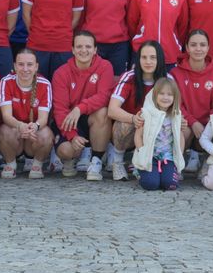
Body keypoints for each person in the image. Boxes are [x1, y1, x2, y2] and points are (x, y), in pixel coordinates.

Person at [51, 31, 113, 180]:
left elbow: (104, 97)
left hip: (91, 117)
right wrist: (72, 136)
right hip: (69, 120)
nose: (83, 50)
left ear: (95, 50)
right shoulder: (61, 73)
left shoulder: (105, 66)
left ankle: (96, 161)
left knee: (103, 112)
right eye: (79, 46)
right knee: (66, 151)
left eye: (88, 46)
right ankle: (71, 159)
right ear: (72, 50)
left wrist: (80, 108)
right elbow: (60, 110)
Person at [108, 40, 167, 181]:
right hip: (132, 127)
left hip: (154, 130)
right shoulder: (129, 77)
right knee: (124, 124)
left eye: (153, 57)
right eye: (144, 57)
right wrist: (133, 118)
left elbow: (174, 111)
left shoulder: (166, 80)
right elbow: (112, 109)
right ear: (138, 59)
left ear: (159, 59)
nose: (148, 62)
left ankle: (155, 162)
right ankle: (117, 161)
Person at [172, 29, 213, 174]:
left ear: (208, 48)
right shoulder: (175, 73)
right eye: (193, 45)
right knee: (182, 129)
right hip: (188, 123)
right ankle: (176, 165)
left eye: (202, 45)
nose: (198, 49)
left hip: (208, 124)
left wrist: (208, 125)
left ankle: (209, 163)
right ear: (187, 48)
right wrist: (192, 121)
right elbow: (176, 104)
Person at [0, 47, 54, 179]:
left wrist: (35, 127)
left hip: (33, 137)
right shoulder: (6, 82)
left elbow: (43, 118)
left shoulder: (45, 84)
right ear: (15, 66)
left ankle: (37, 164)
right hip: (15, 132)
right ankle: (10, 164)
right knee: (4, 130)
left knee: (46, 134)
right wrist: (20, 126)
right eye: (21, 64)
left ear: (36, 67)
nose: (25, 69)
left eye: (30, 64)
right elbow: (6, 116)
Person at [132, 77, 184, 192]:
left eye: (170, 94)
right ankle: (139, 171)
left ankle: (166, 173)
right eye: (161, 93)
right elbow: (138, 135)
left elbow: (179, 136)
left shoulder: (175, 115)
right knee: (151, 184)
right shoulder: (147, 113)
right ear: (155, 95)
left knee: (170, 184)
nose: (165, 97)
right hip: (149, 156)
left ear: (175, 97)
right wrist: (141, 151)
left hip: (168, 157)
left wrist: (178, 154)